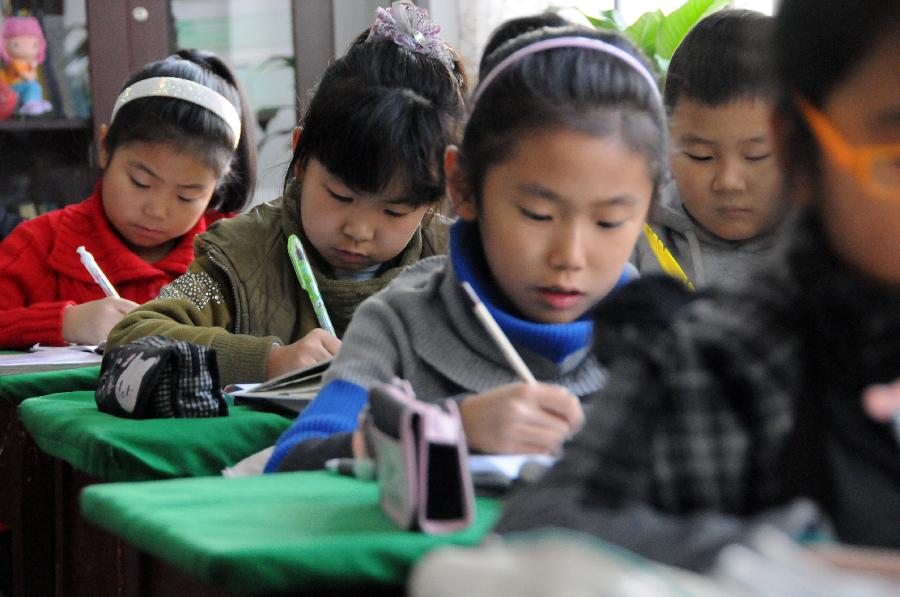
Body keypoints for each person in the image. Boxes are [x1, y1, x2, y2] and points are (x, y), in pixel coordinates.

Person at [497, 0, 900, 571]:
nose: (728, 180)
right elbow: (535, 528)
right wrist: (796, 556)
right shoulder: (704, 365)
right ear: (800, 151)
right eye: (896, 160)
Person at [265, 24, 670, 473]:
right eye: (538, 214)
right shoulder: (401, 325)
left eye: (609, 222)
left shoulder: (662, 338)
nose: (570, 256)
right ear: (462, 187)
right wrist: (449, 429)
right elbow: (291, 468)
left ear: (650, 205)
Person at [107, 1, 467, 386]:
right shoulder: (241, 256)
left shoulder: (460, 260)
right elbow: (131, 339)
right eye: (340, 196)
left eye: (394, 212)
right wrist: (268, 361)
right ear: (300, 156)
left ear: (435, 197)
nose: (359, 230)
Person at [0, 49, 255, 348]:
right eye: (140, 182)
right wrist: (64, 322)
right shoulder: (39, 244)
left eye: (187, 196)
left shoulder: (238, 252)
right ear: (106, 147)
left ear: (216, 186)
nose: (157, 210)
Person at [632, 9, 791, 289]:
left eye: (756, 156)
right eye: (700, 156)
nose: (728, 182)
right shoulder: (633, 233)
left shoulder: (840, 245)